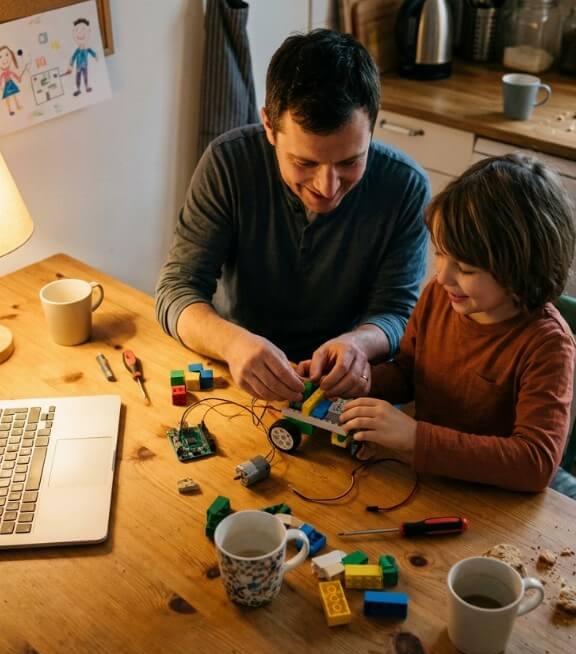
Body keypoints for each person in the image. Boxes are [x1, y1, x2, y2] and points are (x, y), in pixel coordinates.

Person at [155, 30, 430, 402]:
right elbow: (176, 289)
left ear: (372, 128)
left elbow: (398, 312)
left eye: (350, 161)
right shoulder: (228, 163)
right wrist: (233, 344)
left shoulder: (405, 186)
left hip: (341, 384)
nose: (328, 186)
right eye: (305, 162)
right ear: (269, 125)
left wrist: (359, 343)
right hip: (234, 370)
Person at [337, 154, 576, 493]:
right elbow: (409, 372)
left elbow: (534, 463)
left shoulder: (547, 344)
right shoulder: (441, 296)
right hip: (431, 480)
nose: (442, 275)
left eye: (466, 269)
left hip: (494, 500)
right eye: (440, 253)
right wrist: (356, 381)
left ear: (521, 270)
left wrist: (415, 438)